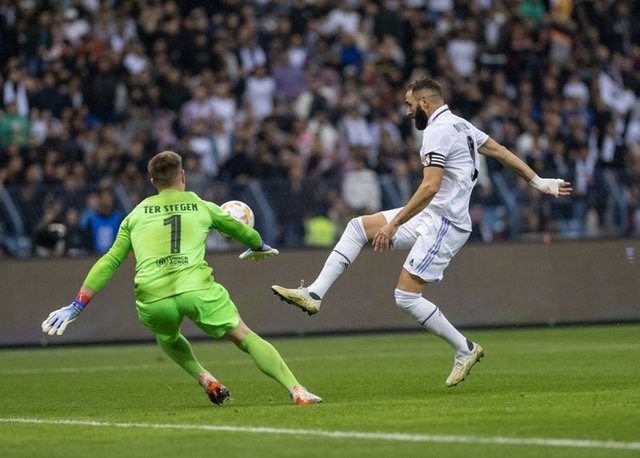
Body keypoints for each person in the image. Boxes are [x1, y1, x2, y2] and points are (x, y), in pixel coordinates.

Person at [272, 77, 572, 387]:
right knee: (357, 227)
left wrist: (394, 224)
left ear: (424, 103)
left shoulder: (437, 132)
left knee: (405, 297)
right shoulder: (462, 125)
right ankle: (314, 294)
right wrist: (539, 182)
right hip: (432, 215)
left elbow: (430, 186)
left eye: (409, 104)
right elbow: (500, 151)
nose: (407, 111)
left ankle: (465, 348)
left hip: (446, 224)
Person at [42, 151, 321, 406]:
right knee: (244, 337)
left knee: (167, 337)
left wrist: (78, 304)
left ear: (153, 181)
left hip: (154, 296)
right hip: (196, 288)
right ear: (183, 175)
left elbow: (110, 261)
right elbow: (244, 233)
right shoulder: (201, 205)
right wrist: (258, 246)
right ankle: (296, 389)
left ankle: (204, 377)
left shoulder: (134, 215)